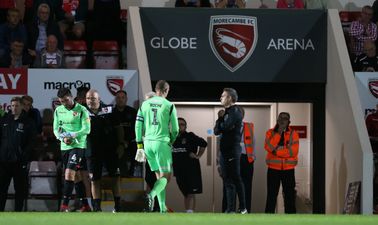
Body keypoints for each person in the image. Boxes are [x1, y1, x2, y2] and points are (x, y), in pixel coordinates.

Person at [135, 80, 179, 213]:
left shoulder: (144, 104)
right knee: (166, 176)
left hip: (147, 143)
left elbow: (138, 125)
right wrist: (171, 140)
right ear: (166, 91)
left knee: (158, 177)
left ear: (156, 89)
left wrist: (139, 146)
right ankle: (151, 195)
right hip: (161, 143)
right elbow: (176, 129)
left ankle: (162, 209)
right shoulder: (169, 104)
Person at [53, 87, 91, 212]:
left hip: (78, 146)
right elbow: (56, 129)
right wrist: (62, 138)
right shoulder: (58, 110)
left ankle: (63, 206)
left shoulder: (82, 109)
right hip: (65, 146)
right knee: (76, 177)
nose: (64, 103)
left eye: (66, 100)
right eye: (61, 101)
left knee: (69, 174)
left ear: (71, 96)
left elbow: (87, 129)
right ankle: (86, 205)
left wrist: (72, 135)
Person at [85, 89, 121, 212]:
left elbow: (118, 128)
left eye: (93, 98)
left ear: (99, 99)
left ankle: (118, 206)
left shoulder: (109, 110)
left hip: (110, 150)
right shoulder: (82, 111)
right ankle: (96, 208)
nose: (90, 101)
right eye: (88, 98)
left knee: (114, 178)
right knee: (94, 180)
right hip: (92, 151)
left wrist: (121, 144)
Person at [0, 96, 37, 211]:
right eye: (12, 106)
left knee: (20, 190)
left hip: (19, 162)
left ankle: (18, 212)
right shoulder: (5, 120)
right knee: (1, 189)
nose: (14, 108)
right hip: (4, 162)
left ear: (22, 106)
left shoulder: (28, 122)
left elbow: (31, 142)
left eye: (17, 106)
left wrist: (23, 156)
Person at [214, 88, 247, 214]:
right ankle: (230, 209)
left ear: (230, 98)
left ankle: (243, 207)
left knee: (236, 178)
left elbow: (225, 126)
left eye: (223, 96)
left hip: (233, 150)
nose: (220, 98)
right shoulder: (225, 113)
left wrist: (221, 121)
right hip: (224, 152)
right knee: (227, 180)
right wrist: (220, 119)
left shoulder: (235, 111)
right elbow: (217, 131)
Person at [264, 112, 299, 214]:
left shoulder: (294, 134)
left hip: (288, 170)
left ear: (289, 122)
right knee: (271, 196)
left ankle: (290, 221)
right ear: (277, 120)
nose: (283, 120)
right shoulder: (270, 133)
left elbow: (293, 151)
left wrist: (276, 152)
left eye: (285, 118)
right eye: (281, 118)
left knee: (289, 197)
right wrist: (279, 132)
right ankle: (267, 221)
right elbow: (269, 147)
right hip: (273, 169)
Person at [172, 117, 207, 213]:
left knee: (191, 193)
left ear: (185, 126)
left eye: (182, 124)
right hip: (178, 171)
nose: (180, 126)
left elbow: (204, 143)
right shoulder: (172, 138)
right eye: (177, 124)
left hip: (191, 170)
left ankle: (190, 213)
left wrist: (198, 155)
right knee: (186, 193)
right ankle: (188, 211)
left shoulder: (190, 136)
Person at [112, 90, 138, 177]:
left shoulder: (133, 112)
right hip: (115, 141)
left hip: (130, 141)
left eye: (123, 97)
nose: (120, 100)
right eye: (118, 98)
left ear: (126, 99)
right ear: (115, 99)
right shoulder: (111, 112)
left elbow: (136, 129)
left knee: (136, 146)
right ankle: (115, 172)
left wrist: (127, 141)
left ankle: (131, 171)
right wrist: (121, 142)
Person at [239, 107, 255, 213]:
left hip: (246, 159)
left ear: (243, 115)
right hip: (232, 159)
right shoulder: (227, 126)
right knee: (230, 187)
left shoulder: (248, 126)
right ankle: (228, 211)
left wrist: (252, 157)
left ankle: (245, 211)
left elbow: (253, 142)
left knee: (246, 187)